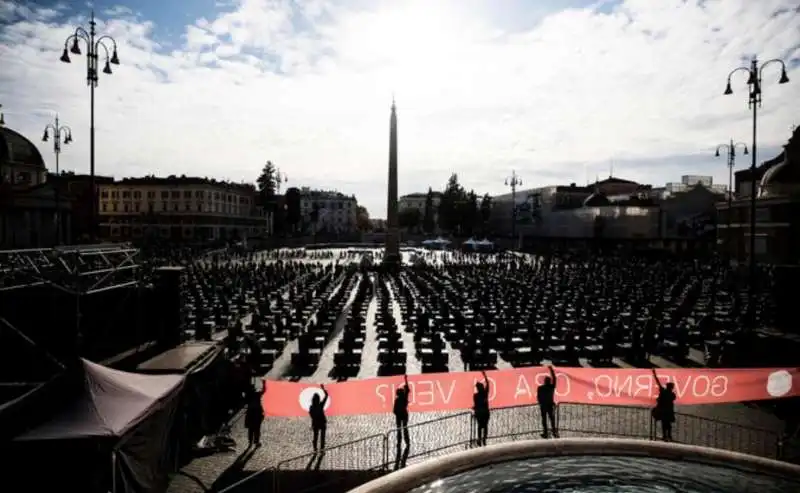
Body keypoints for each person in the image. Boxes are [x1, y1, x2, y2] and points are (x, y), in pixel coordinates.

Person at [651, 369, 676, 441]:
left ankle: (665, 436)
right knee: (668, 424)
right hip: (669, 411)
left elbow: (658, 382)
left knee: (664, 424)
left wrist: (654, 374)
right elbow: (673, 399)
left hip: (663, 411)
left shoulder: (663, 391)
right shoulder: (672, 394)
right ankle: (669, 436)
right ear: (671, 388)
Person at [537, 365, 558, 438]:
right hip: (549, 405)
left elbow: (538, 397)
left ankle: (545, 433)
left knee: (544, 420)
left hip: (543, 406)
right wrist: (551, 370)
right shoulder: (551, 387)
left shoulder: (540, 388)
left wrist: (540, 403)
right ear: (549, 381)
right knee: (552, 419)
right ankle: (554, 432)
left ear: (544, 381)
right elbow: (555, 378)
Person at [309, 384, 329, 451]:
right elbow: (326, 396)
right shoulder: (321, 405)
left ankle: (315, 448)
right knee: (322, 437)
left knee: (315, 437)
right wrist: (323, 389)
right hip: (322, 422)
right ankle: (322, 448)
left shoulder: (311, 407)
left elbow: (311, 416)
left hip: (315, 423)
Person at [473, 370, 491, 446]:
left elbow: (476, 405)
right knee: (485, 426)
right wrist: (485, 375)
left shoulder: (475, 396)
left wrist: (474, 410)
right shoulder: (485, 393)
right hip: (486, 413)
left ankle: (479, 439)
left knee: (479, 427)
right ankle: (484, 439)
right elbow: (488, 383)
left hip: (479, 413)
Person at [393, 375, 410, 447]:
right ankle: (407, 442)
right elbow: (407, 389)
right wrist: (406, 379)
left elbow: (394, 410)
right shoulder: (404, 398)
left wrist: (396, 413)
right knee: (405, 428)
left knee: (399, 429)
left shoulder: (397, 400)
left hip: (399, 416)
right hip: (404, 415)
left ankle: (399, 442)